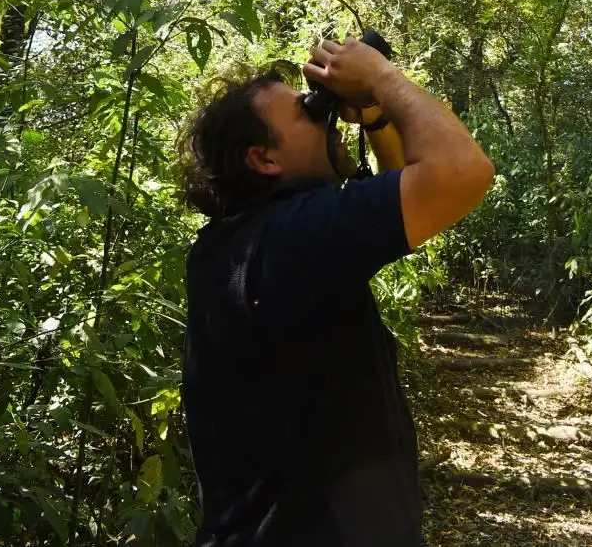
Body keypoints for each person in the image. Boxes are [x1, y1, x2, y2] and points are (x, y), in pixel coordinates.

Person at [179, 33, 495, 547]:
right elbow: (462, 173)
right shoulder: (291, 238)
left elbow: (410, 194)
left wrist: (371, 111)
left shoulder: (242, 244)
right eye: (308, 112)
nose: (324, 116)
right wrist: (380, 76)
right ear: (264, 159)